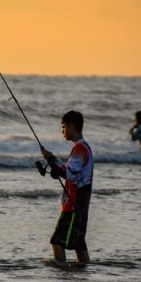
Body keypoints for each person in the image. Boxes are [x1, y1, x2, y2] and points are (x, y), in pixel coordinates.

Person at [41, 110, 93, 264]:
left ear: (72, 126)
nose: (62, 131)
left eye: (63, 126)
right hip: (80, 203)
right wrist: (56, 170)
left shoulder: (80, 148)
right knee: (78, 243)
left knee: (57, 241)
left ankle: (62, 275)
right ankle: (84, 274)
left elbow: (70, 174)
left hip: (74, 205)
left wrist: (51, 158)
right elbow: (73, 173)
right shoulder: (83, 147)